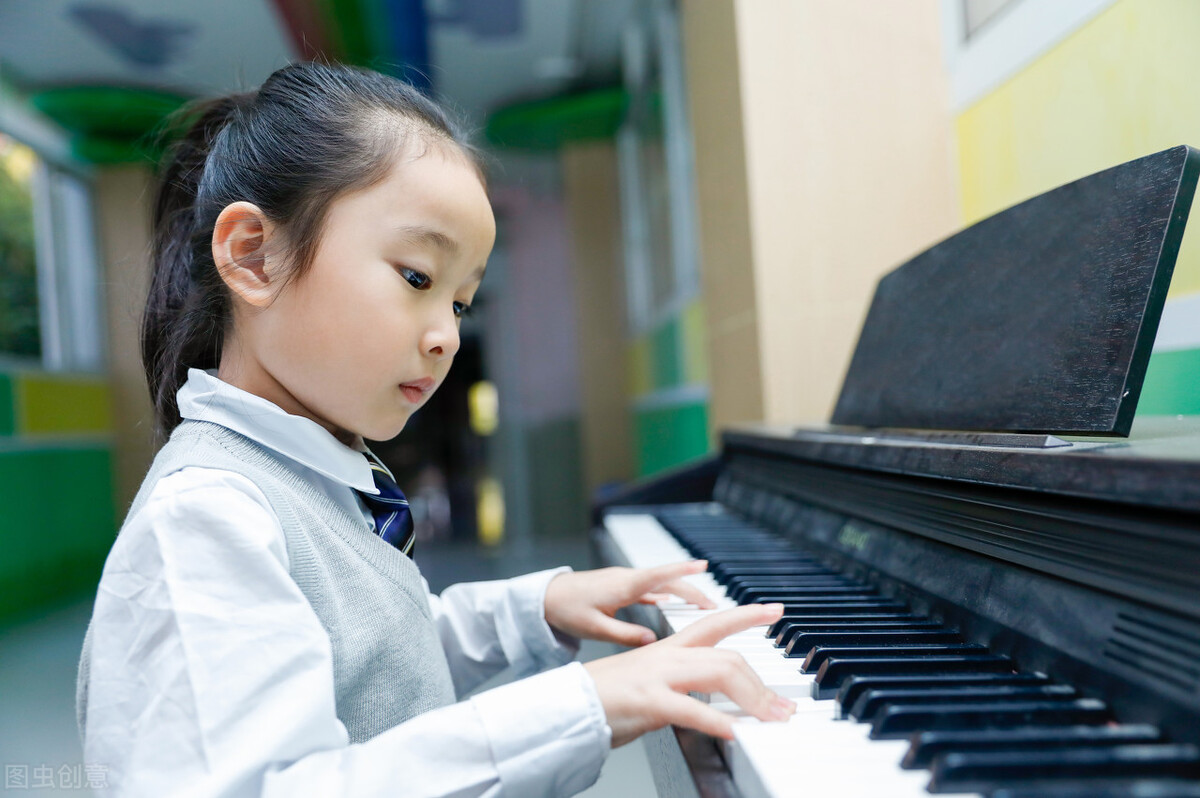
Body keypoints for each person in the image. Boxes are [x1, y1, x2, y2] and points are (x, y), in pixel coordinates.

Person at [76, 61, 795, 797]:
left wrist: (537, 609)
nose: (447, 337)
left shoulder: (310, 477)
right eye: (418, 277)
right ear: (254, 256)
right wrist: (584, 704)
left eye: (459, 303)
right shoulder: (204, 521)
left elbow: (380, 663)